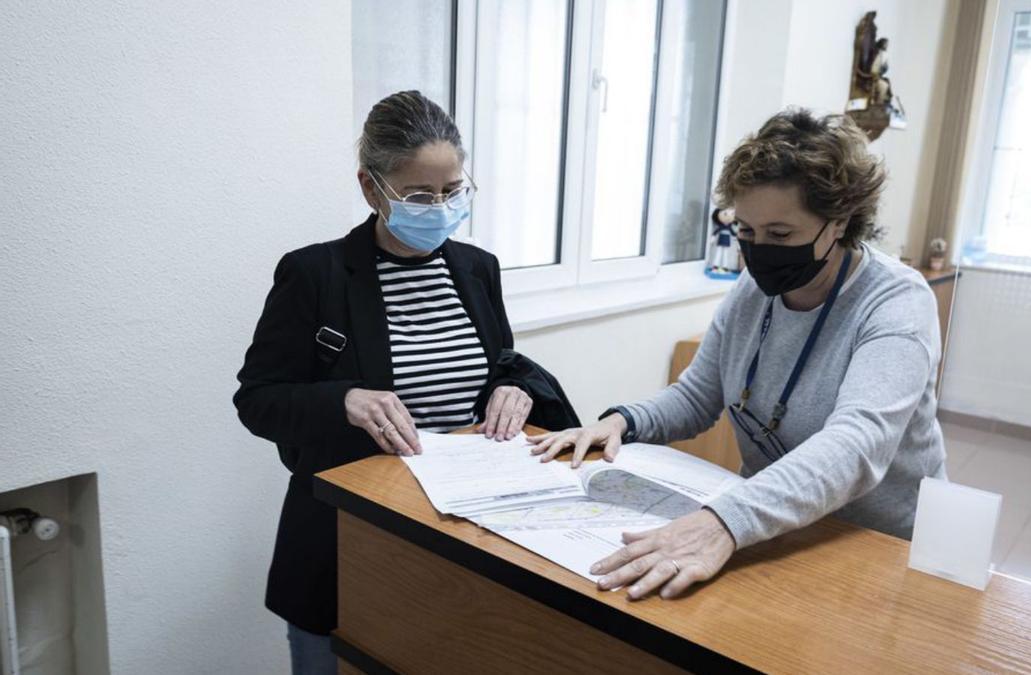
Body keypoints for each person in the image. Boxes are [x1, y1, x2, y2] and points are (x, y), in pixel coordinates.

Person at [529, 108, 946, 601]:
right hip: (771, 527)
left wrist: (722, 521)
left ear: (839, 222)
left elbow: (857, 444)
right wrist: (622, 422)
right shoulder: (753, 289)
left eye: (780, 234)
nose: (758, 251)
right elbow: (697, 397)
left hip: (874, 544)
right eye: (746, 231)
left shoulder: (896, 302)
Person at [234, 91, 547, 674]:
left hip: (459, 536)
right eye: (420, 195)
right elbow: (257, 400)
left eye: (452, 192)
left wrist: (513, 388)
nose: (440, 206)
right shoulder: (315, 274)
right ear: (371, 187)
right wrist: (343, 399)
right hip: (346, 540)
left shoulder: (478, 269)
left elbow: (500, 361)